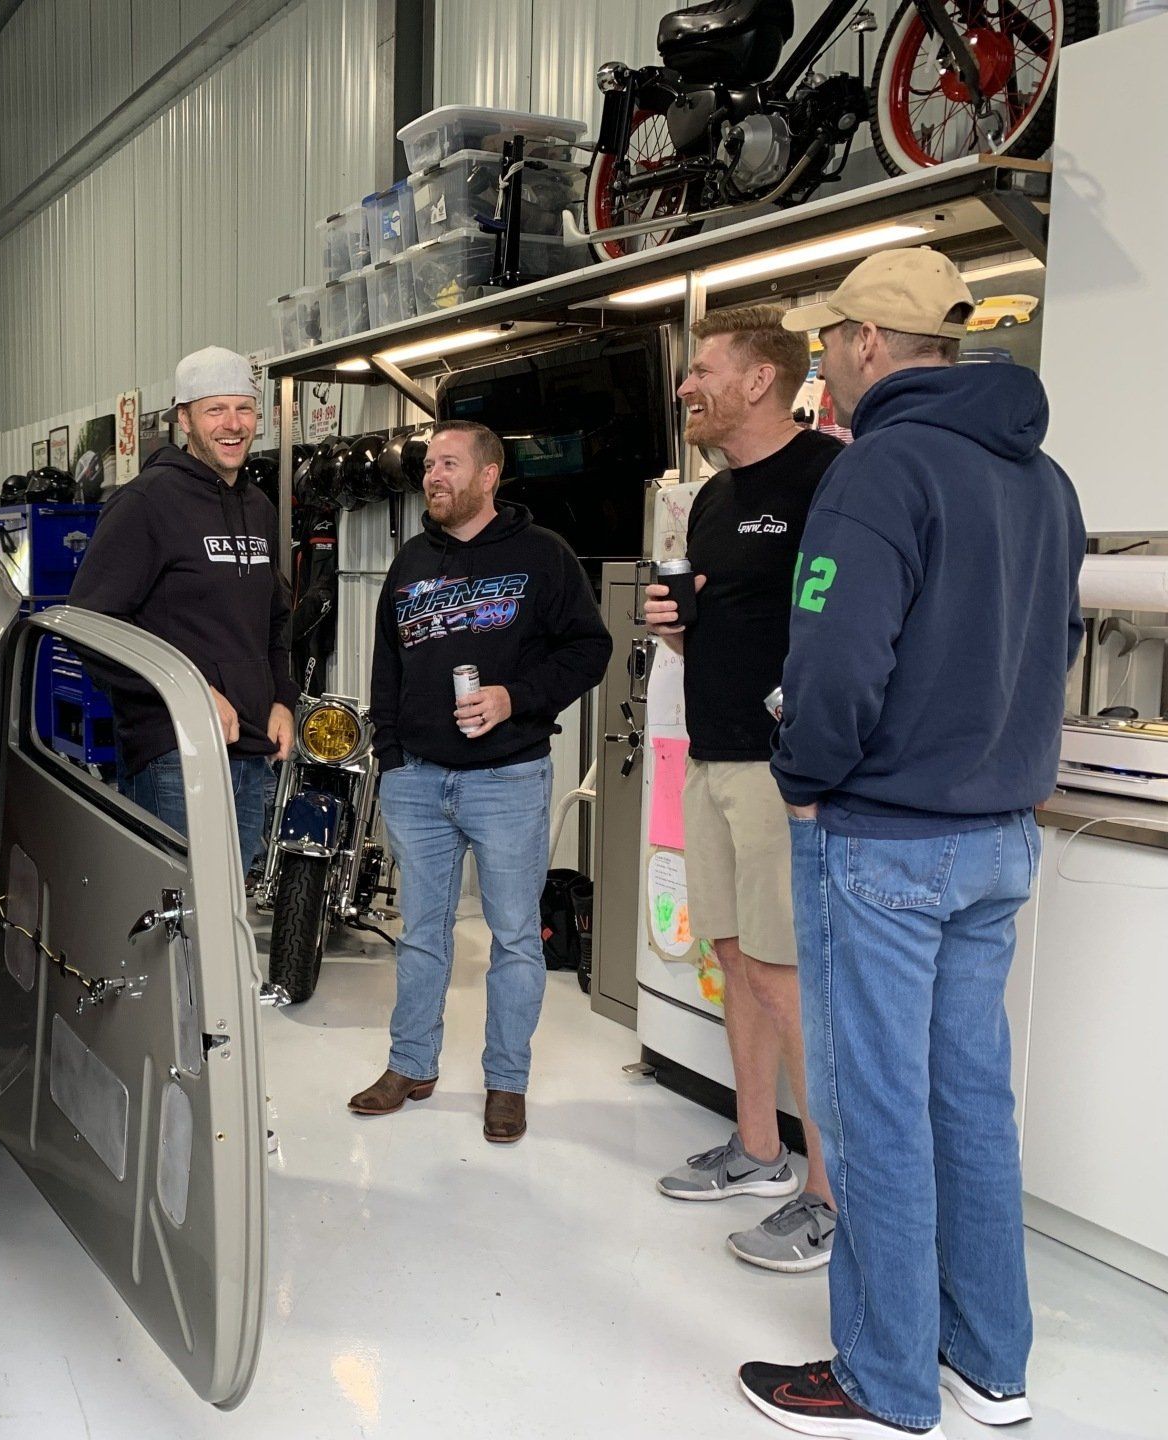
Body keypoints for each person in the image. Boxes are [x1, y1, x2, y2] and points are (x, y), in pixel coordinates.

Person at [738, 249, 1085, 1438]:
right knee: (970, 1105)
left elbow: (834, 665)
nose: (822, 361)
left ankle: (885, 1378)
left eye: (829, 339)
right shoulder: (1044, 479)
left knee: (875, 1106)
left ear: (872, 344)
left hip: (881, 840)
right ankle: (992, 1365)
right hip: (998, 838)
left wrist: (802, 779)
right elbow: (1049, 652)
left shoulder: (877, 470)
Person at [644, 305, 842, 1273]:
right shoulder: (715, 498)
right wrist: (676, 626)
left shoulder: (830, 478)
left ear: (761, 378)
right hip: (712, 752)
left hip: (784, 767)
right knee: (730, 951)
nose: (690, 384)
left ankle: (832, 1192)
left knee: (785, 971)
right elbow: (720, 626)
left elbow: (847, 626)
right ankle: (759, 1147)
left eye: (704, 367)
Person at [348, 420, 610, 1144]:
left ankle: (505, 1083)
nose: (434, 476)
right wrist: (390, 754)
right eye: (430, 465)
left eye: (449, 464)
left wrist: (514, 698)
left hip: (509, 778)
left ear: (489, 474)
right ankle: (411, 1065)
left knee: (516, 938)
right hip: (419, 782)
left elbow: (590, 649)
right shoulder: (409, 564)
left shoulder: (542, 557)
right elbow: (387, 668)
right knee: (422, 934)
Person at [69, 346, 294, 874]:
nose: (233, 425)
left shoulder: (259, 507)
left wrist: (283, 699)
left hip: (250, 747)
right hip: (174, 751)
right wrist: (187, 691)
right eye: (216, 410)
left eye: (245, 409)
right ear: (184, 419)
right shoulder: (145, 502)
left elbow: (275, 620)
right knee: (181, 920)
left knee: (229, 908)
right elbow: (92, 627)